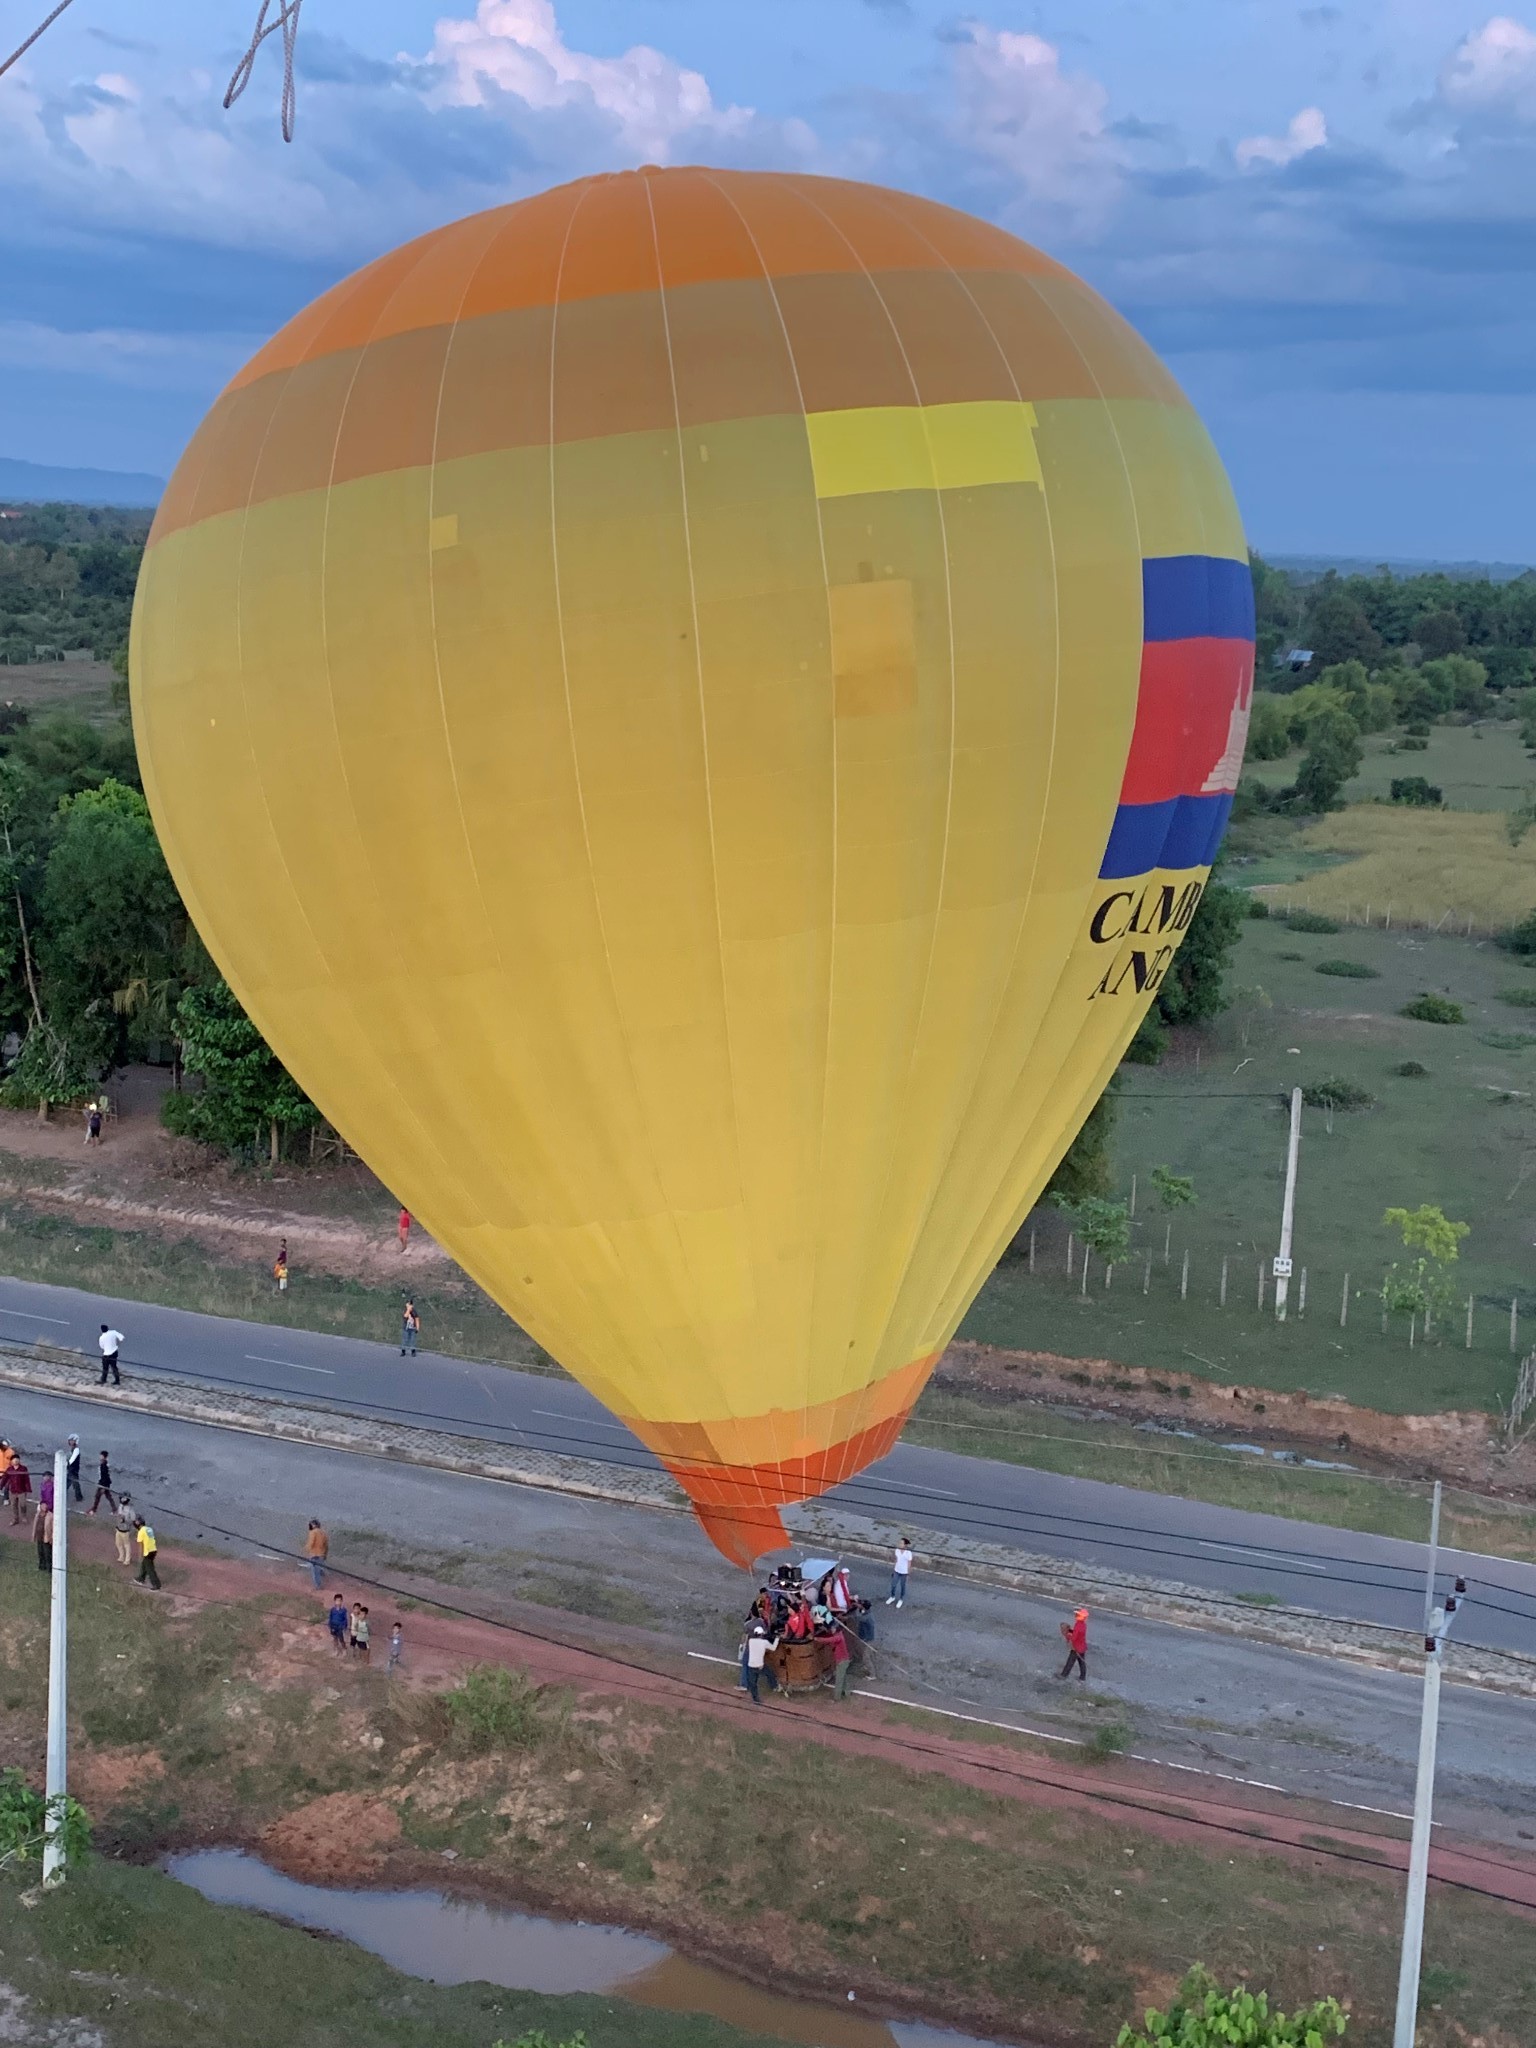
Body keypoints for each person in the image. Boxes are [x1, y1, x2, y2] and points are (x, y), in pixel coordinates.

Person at [742, 1622, 779, 1703]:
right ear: (762, 1634)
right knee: (770, 1674)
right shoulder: (764, 1642)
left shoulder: (751, 1641)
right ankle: (774, 1686)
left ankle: (756, 1699)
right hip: (760, 1666)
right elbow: (773, 1648)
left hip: (751, 1665)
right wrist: (777, 1638)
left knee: (753, 1683)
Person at [1059, 1607, 1089, 1682]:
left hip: (1076, 1647)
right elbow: (1077, 1634)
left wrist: (1067, 1633)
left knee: (1070, 1661)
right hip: (1082, 1647)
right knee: (1081, 1662)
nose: (1075, 1615)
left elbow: (1074, 1637)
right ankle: (1082, 1677)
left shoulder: (1078, 1625)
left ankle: (1063, 1675)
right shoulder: (1083, 1625)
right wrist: (1070, 1631)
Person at [133, 1515, 161, 1590]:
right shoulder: (149, 1529)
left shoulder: (140, 1532)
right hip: (153, 1550)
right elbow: (151, 1538)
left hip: (147, 1552)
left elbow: (141, 1545)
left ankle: (156, 1585)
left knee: (150, 1569)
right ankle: (141, 1578)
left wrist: (140, 1555)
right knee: (145, 1564)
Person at [830, 1621, 854, 1701]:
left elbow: (828, 1640)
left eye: (832, 1628)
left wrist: (817, 1639)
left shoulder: (838, 1637)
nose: (831, 1629)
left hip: (842, 1661)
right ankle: (847, 1692)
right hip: (844, 1660)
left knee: (839, 1679)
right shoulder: (839, 1634)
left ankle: (837, 1697)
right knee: (844, 1677)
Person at [887, 1538, 913, 1609]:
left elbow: (909, 1564)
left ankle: (901, 1599)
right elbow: (896, 1560)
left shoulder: (908, 1553)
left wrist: (908, 1574)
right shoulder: (897, 1551)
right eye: (899, 1543)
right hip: (897, 1571)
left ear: (905, 1545)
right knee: (893, 1585)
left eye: (901, 1543)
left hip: (904, 1573)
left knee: (902, 1586)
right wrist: (894, 1569)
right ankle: (892, 1597)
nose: (899, 1544)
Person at [88, 1449, 115, 1515]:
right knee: (108, 1496)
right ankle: (114, 1509)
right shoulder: (105, 1464)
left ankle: (94, 1509)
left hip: (103, 1484)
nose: (100, 1457)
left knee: (98, 1496)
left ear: (103, 1457)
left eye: (101, 1456)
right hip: (105, 1483)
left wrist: (103, 1487)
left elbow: (104, 1476)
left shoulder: (103, 1466)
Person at [305, 1518, 329, 1589]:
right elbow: (326, 1546)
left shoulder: (313, 1532)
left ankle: (318, 1586)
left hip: (314, 1554)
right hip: (321, 1554)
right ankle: (322, 1572)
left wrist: (306, 1549)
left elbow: (311, 1543)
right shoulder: (323, 1533)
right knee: (318, 1567)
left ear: (314, 1525)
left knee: (315, 1572)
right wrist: (325, 1555)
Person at [7, 1456, 30, 1525]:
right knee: (13, 1505)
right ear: (11, 1462)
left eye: (17, 1459)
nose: (16, 1461)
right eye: (14, 1460)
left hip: (21, 1490)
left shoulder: (23, 1468)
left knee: (23, 1504)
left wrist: (28, 1488)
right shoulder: (9, 1469)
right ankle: (15, 1519)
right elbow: (5, 1478)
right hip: (13, 1491)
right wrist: (1, 1486)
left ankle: (24, 1516)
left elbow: (27, 1479)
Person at [113, 1494, 135, 1564]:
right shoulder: (120, 1506)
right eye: (122, 1498)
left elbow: (133, 1519)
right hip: (118, 1528)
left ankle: (127, 1560)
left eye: (124, 1498)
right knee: (118, 1543)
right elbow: (118, 1515)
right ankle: (121, 1556)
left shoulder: (130, 1509)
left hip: (125, 1530)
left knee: (126, 1545)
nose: (122, 1500)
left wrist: (125, 1520)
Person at [327, 1593, 350, 1657]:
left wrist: (344, 1626)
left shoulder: (343, 1610)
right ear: (334, 1601)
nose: (338, 1602)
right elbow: (330, 1617)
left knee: (341, 1639)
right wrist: (329, 1624)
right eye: (337, 1601)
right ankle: (336, 1650)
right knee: (335, 1638)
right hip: (333, 1626)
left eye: (339, 1601)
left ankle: (344, 1649)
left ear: (342, 1601)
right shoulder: (332, 1610)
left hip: (339, 1627)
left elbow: (345, 1619)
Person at [34, 1499, 53, 1572]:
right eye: (43, 1505)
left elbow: (52, 1527)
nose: (45, 1507)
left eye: (46, 1505)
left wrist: (51, 1538)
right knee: (40, 1552)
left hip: (46, 1538)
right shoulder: (38, 1514)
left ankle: (50, 1568)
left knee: (47, 1553)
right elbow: (35, 1525)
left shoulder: (50, 1515)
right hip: (39, 1537)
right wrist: (34, 1535)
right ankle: (42, 1566)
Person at [65, 1436, 82, 1504]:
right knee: (72, 1482)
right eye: (70, 1440)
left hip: (73, 1469)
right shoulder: (73, 1449)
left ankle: (79, 1497)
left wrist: (67, 1464)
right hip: (71, 1468)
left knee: (74, 1482)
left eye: (71, 1440)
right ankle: (79, 1497)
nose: (70, 1442)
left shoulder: (76, 1450)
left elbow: (72, 1460)